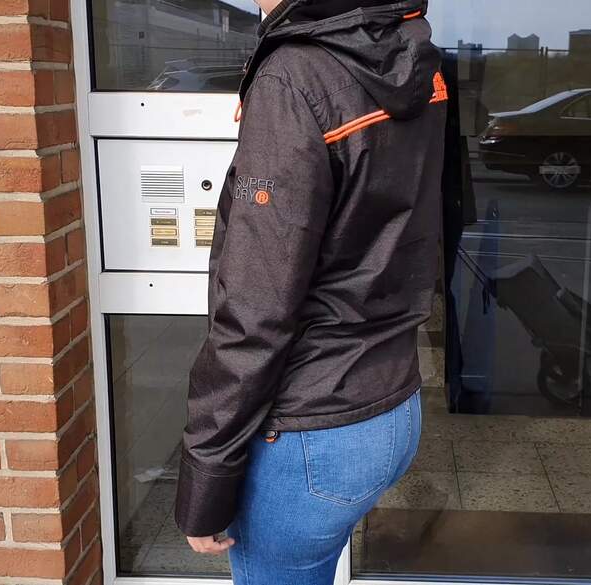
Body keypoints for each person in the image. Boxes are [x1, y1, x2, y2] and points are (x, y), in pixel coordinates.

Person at [174, 0, 447, 582]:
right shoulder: (414, 55)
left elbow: (255, 310)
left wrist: (205, 481)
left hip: (312, 432)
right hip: (392, 408)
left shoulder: (294, 76)